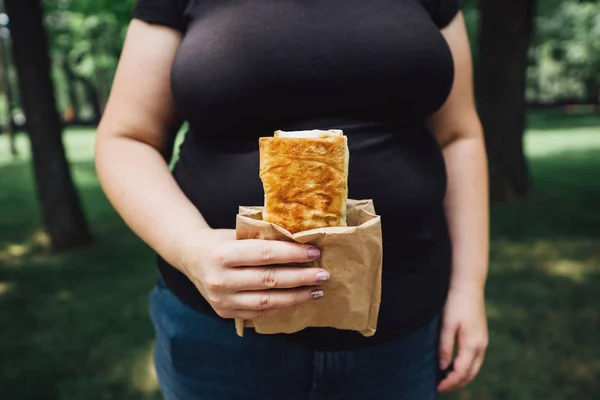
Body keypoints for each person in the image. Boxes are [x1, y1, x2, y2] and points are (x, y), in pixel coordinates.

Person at [95, 0, 489, 399]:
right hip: (222, 338)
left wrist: (469, 288)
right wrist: (189, 246)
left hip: (406, 329)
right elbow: (128, 137)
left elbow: (459, 136)